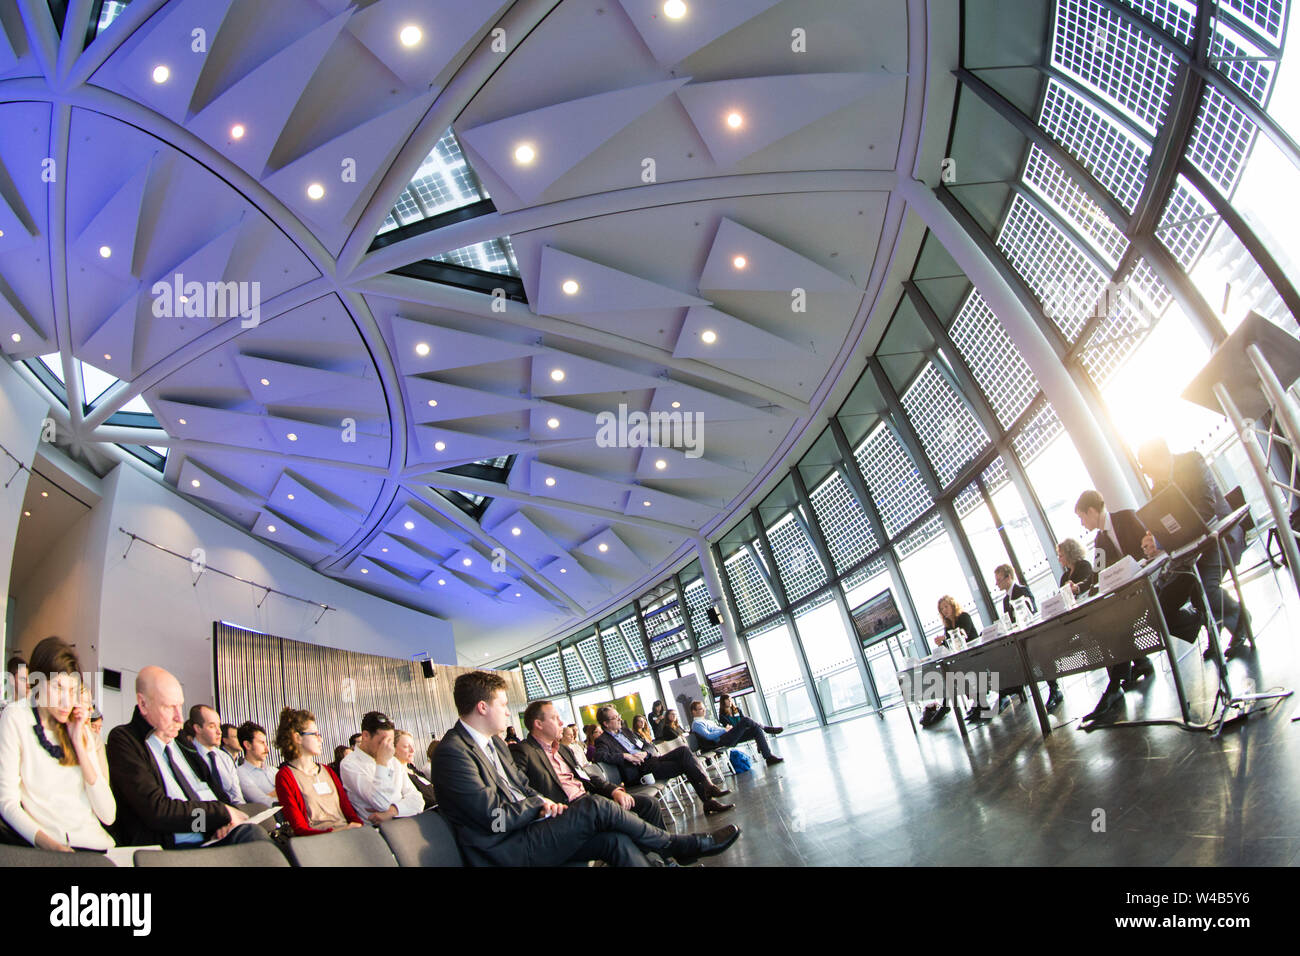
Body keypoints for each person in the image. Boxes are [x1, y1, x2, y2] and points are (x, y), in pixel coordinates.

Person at [432, 671, 739, 866]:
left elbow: (521, 789)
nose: (508, 712)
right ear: (482, 708)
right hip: (504, 850)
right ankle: (678, 846)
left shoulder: (496, 744)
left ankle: (674, 853)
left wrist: (540, 805)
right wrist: (538, 804)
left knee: (614, 841)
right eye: (502, 704)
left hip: (531, 830)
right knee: (593, 807)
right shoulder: (452, 754)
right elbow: (493, 819)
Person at [106, 666, 265, 849]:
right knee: (253, 839)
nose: (179, 718)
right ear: (143, 704)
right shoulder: (125, 740)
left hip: (211, 838)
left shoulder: (182, 743)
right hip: (174, 848)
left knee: (254, 836)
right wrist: (218, 815)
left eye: (180, 706)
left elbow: (217, 792)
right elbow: (158, 812)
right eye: (169, 707)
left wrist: (226, 820)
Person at [1138, 438, 1251, 660]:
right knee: (1161, 606)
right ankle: (1204, 617)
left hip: (1219, 537)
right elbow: (1164, 523)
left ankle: (1238, 619)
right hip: (1189, 551)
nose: (1151, 477)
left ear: (1162, 458)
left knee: (1205, 588)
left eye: (1151, 470)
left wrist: (1182, 534)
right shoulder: (1158, 487)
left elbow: (1207, 508)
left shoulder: (1192, 462)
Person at [0, 637, 115, 852]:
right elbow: (7, 803)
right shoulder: (16, 717)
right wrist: (50, 845)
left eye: (72, 691)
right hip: (50, 848)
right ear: (36, 682)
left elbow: (108, 815)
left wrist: (80, 745)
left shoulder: (77, 726)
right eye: (57, 688)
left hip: (95, 845)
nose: (66, 702)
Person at [511, 700, 668, 831]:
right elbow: (520, 788)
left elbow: (586, 777)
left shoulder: (564, 749)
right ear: (538, 724)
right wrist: (543, 804)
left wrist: (614, 790)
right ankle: (670, 846)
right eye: (555, 718)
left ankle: (665, 856)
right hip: (569, 811)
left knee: (649, 804)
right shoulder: (524, 751)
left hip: (591, 801)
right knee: (621, 829)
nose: (561, 722)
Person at [1075, 490, 1156, 693]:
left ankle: (1121, 679)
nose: (1082, 523)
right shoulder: (1100, 541)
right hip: (1130, 594)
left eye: (1082, 517)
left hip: (1151, 582)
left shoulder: (1127, 517)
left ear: (1092, 511)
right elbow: (1097, 573)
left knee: (1115, 622)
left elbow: (1151, 544)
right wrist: (1081, 588)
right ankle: (1138, 663)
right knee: (1107, 622)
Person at [593, 705, 734, 814]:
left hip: (651, 760)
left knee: (684, 751)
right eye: (615, 718)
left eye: (619, 716)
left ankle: (708, 788)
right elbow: (600, 756)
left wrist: (645, 754)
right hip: (641, 771)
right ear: (605, 723)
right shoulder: (602, 740)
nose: (619, 719)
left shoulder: (626, 731)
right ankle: (708, 796)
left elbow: (648, 745)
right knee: (687, 764)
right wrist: (625, 756)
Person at [273, 707, 364, 836]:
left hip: (348, 834)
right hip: (319, 842)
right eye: (315, 734)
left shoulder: (327, 771)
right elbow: (299, 829)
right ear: (297, 737)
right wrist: (340, 831)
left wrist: (359, 828)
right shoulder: (285, 777)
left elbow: (349, 812)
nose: (320, 739)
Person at [993, 564, 1063, 712]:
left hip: (1032, 637)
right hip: (1019, 640)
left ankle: (1054, 689)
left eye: (998, 580)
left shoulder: (1022, 590)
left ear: (1008, 577)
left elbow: (1032, 611)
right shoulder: (1006, 601)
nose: (997, 584)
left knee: (1037, 652)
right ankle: (1010, 688)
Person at [339, 711, 424, 823]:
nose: (387, 747)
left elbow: (418, 799)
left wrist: (393, 811)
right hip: (376, 831)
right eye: (383, 742)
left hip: (403, 824)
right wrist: (382, 762)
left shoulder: (393, 761)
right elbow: (381, 803)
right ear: (366, 736)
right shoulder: (350, 764)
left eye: (390, 742)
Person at [930, 595, 984, 724]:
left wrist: (945, 638)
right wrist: (941, 643)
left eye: (946, 607)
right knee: (948, 674)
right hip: (962, 658)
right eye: (942, 609)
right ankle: (948, 705)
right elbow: (949, 646)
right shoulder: (948, 625)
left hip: (974, 654)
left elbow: (963, 635)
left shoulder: (964, 616)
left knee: (956, 673)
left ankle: (947, 707)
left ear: (952, 605)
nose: (944, 610)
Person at [180, 704, 245, 805]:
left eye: (218, 726)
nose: (219, 732)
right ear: (198, 728)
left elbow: (237, 796)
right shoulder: (186, 758)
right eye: (212, 726)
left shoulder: (225, 758)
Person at [689, 700, 783, 765]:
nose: (704, 710)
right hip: (721, 741)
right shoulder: (697, 724)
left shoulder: (706, 721)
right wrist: (724, 730)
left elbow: (717, 729)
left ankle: (768, 757)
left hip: (726, 736)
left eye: (704, 708)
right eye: (701, 709)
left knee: (756, 730)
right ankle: (765, 728)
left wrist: (725, 729)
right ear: (694, 711)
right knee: (745, 720)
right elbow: (709, 736)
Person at [236, 721, 277, 806]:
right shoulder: (240, 773)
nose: (267, 749)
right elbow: (263, 803)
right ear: (247, 745)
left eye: (266, 743)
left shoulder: (273, 770)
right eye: (262, 743)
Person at [395, 729, 436, 810]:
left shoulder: (414, 771)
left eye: (412, 746)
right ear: (393, 749)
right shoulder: (397, 775)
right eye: (406, 747)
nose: (412, 750)